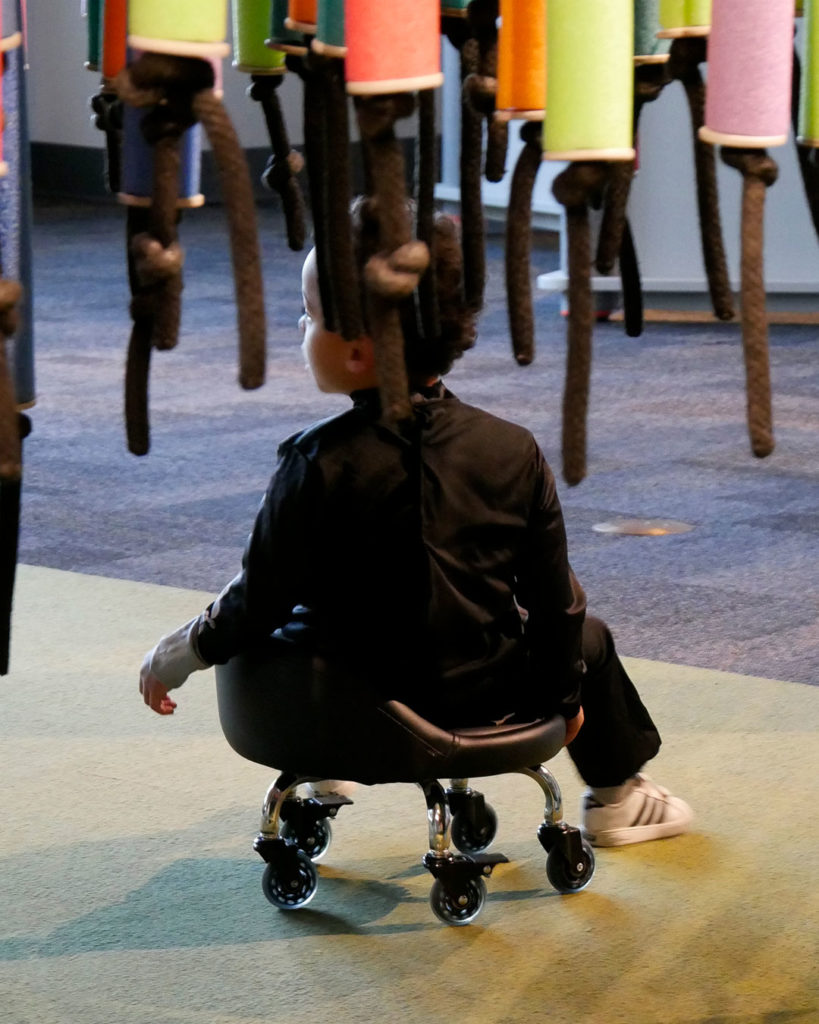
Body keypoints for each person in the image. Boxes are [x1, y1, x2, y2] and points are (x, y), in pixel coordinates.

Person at [139, 204, 692, 848]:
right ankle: (618, 797)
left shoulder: (316, 460)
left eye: (309, 314)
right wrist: (565, 702)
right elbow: (555, 603)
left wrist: (176, 654)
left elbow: (254, 601)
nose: (300, 324)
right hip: (485, 694)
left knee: (281, 620)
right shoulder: (513, 449)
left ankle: (325, 772)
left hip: (352, 700)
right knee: (586, 635)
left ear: (356, 350)